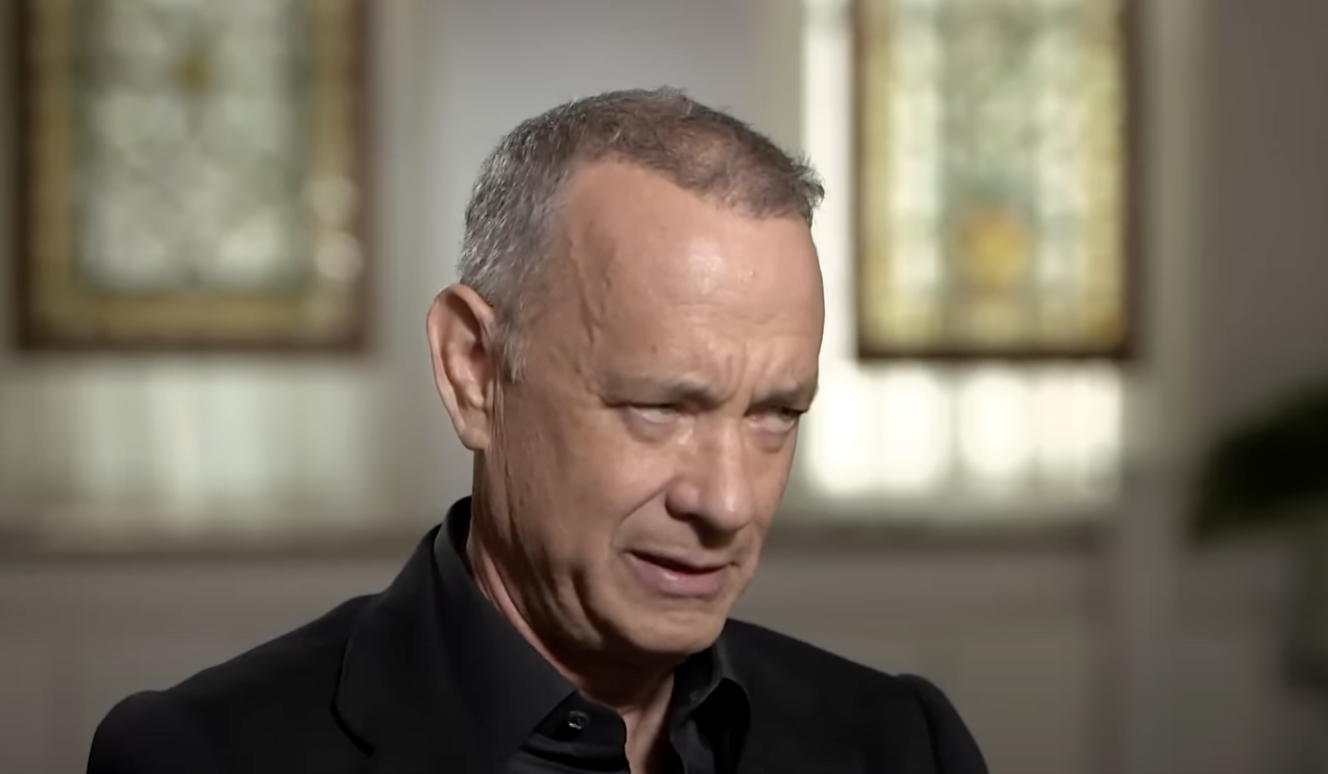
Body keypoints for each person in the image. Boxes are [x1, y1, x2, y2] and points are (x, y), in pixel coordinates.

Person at [86, 88, 987, 774]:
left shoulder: (904, 745)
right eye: (660, 407)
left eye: (775, 414)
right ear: (473, 371)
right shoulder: (202, 757)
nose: (727, 502)